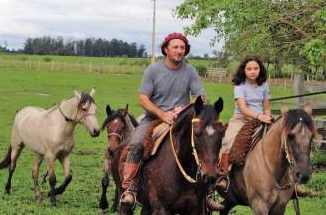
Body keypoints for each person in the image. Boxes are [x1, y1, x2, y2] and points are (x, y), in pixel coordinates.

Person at [119, 32, 206, 207]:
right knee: (136, 144)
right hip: (154, 119)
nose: (179, 51)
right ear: (166, 49)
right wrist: (162, 114)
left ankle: (209, 191)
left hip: (182, 120)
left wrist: (186, 108)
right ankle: (130, 188)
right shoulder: (153, 70)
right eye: (175, 47)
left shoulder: (190, 71)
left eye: (182, 48)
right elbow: (142, 98)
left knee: (207, 142)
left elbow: (200, 97)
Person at [216, 56, 310, 197]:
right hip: (241, 119)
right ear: (244, 70)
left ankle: (292, 182)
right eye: (249, 69)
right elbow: (243, 108)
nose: (253, 71)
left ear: (260, 69)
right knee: (228, 141)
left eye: (256, 68)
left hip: (262, 119)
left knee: (285, 142)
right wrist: (259, 116)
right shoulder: (240, 86)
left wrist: (269, 118)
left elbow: (266, 107)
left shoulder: (264, 85)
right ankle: (223, 176)